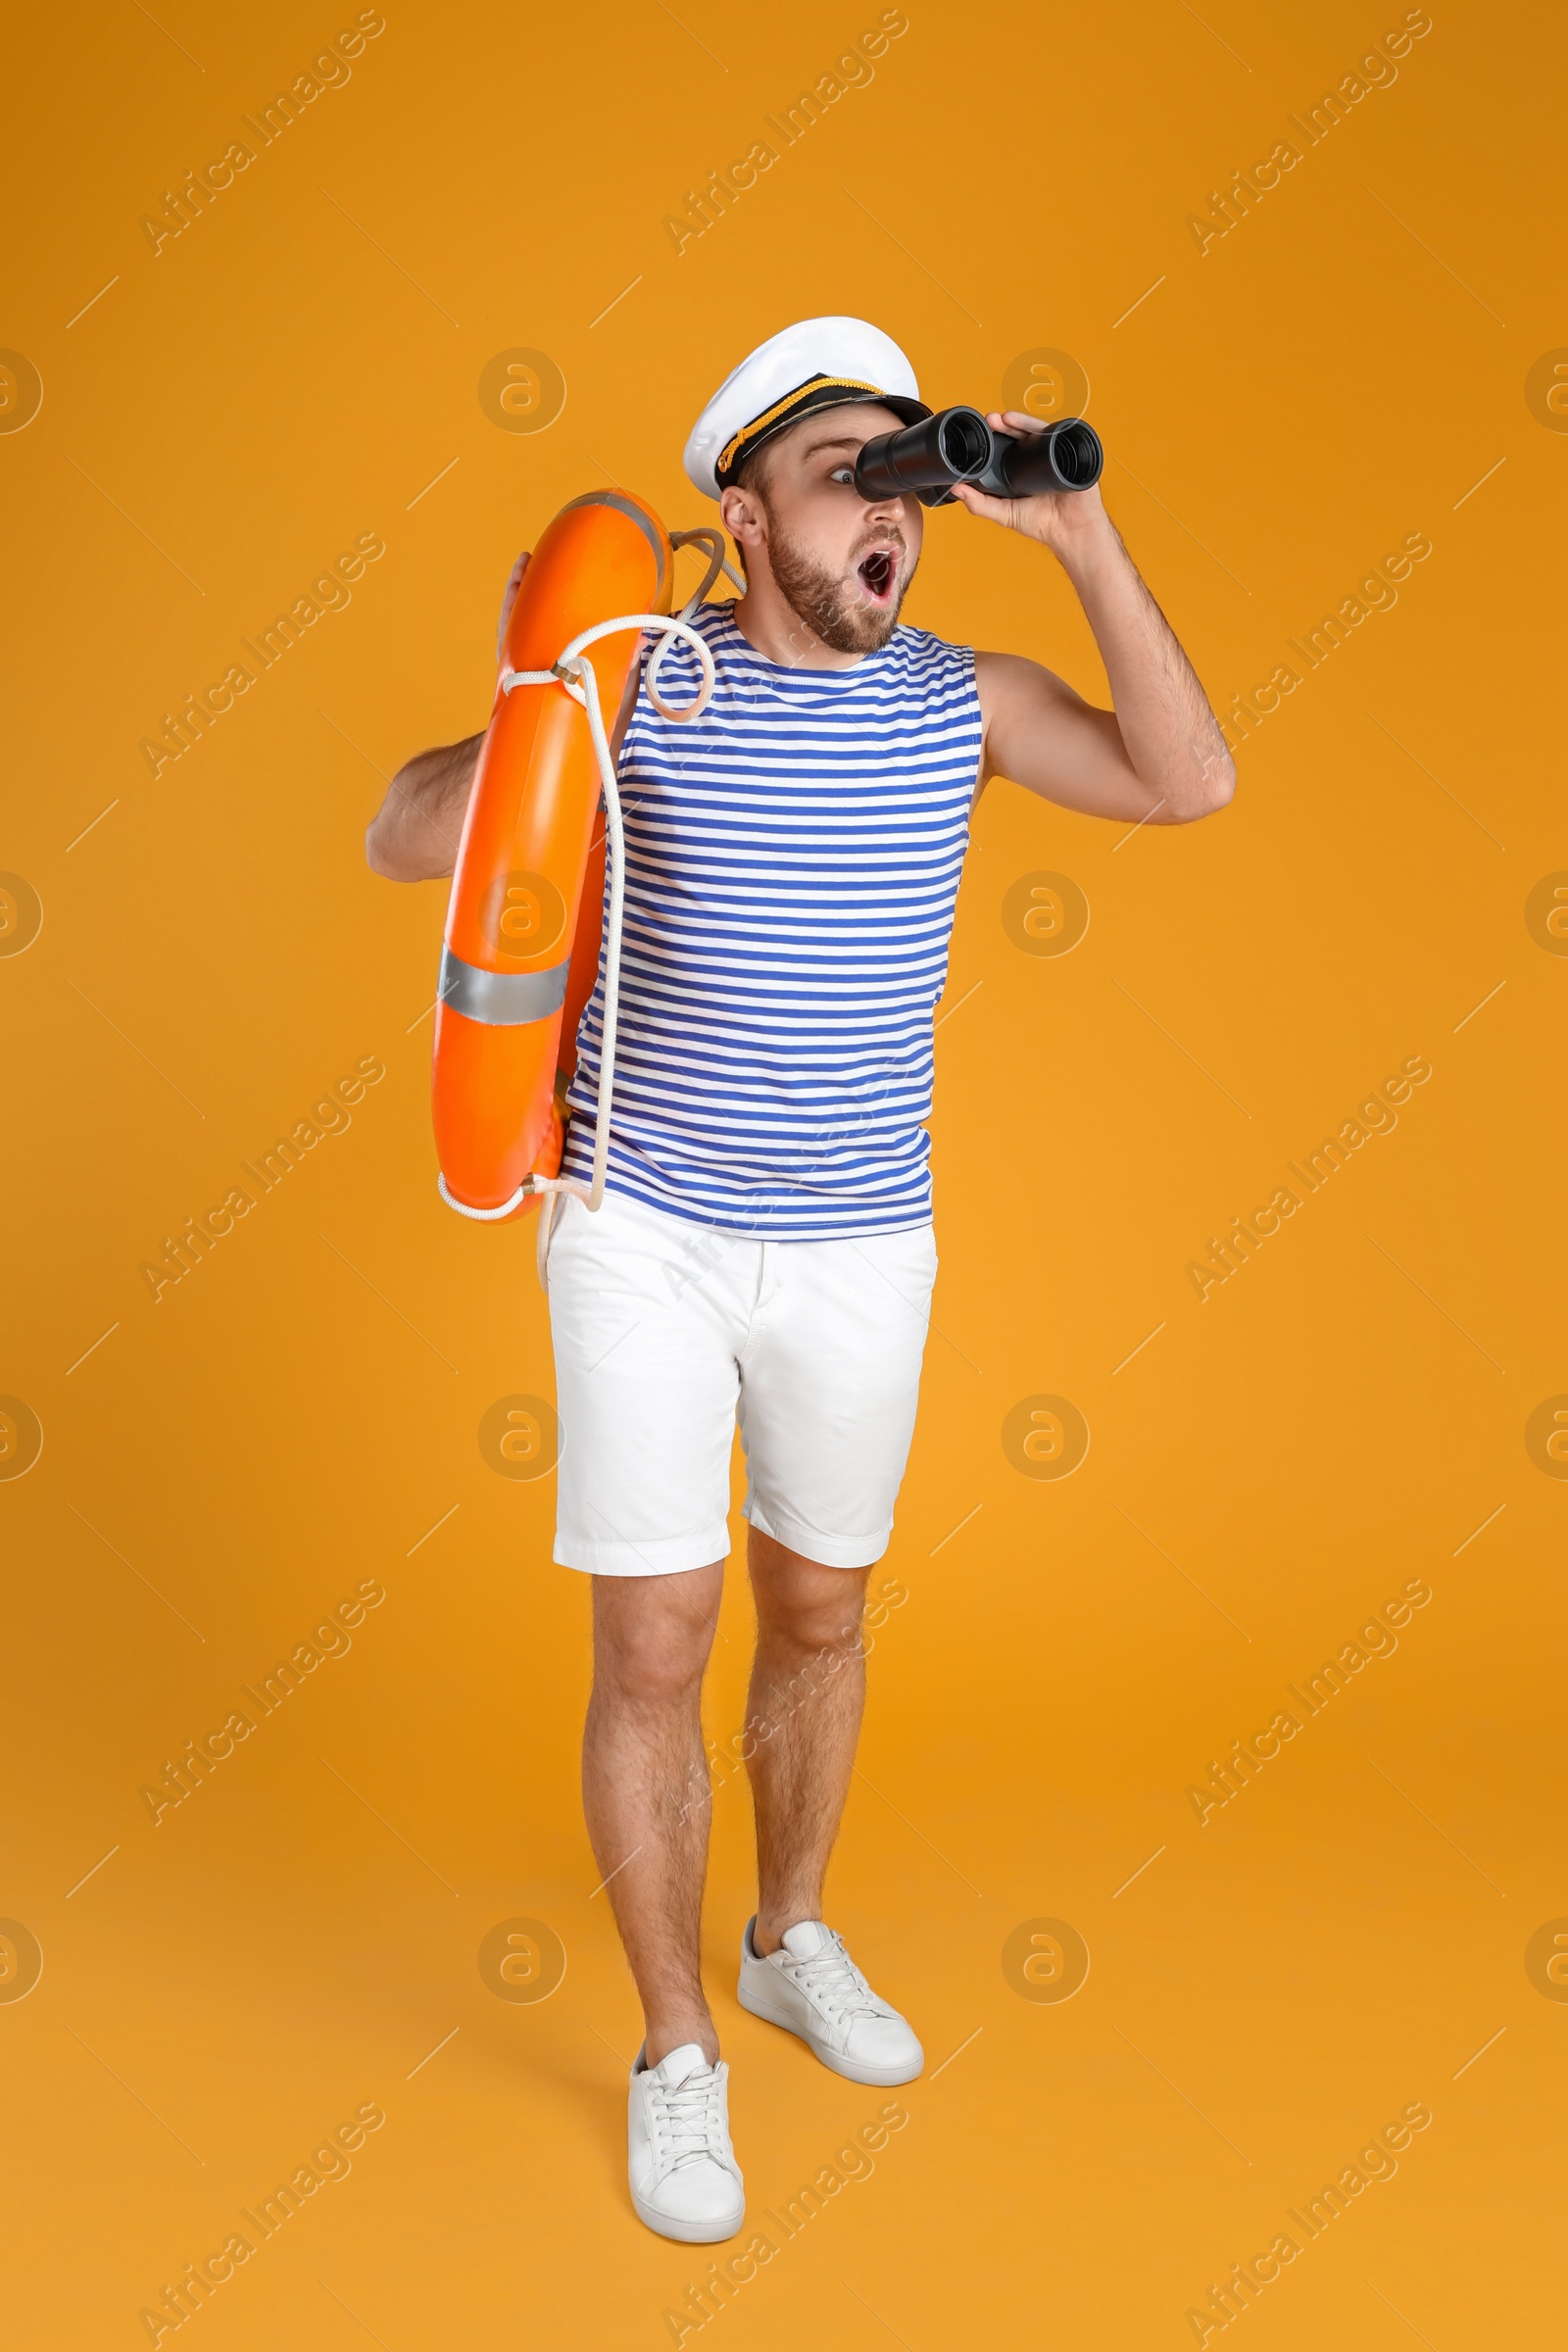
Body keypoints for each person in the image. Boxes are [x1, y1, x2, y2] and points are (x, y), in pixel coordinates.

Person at [366, 317, 1234, 2243]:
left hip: (861, 1233)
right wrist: (541, 713)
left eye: (913, 479)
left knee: (820, 1607)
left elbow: (1187, 784)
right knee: (658, 1640)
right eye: (851, 471)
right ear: (742, 514)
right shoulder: (645, 685)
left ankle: (787, 1937)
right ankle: (678, 2052)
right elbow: (403, 833)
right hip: (643, 1223)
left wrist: (1080, 537)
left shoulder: (958, 699)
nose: (892, 513)